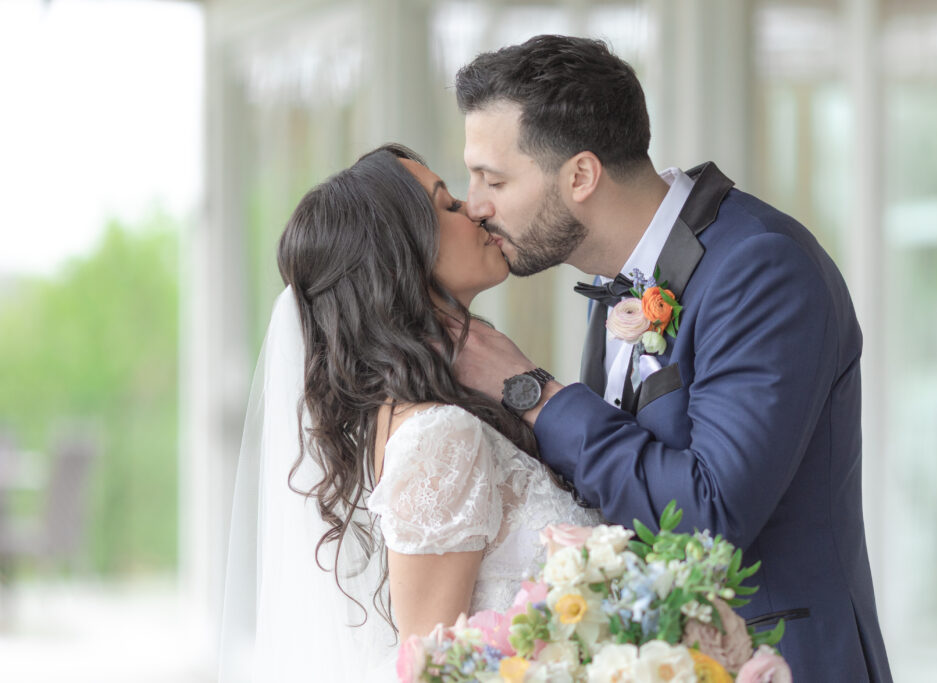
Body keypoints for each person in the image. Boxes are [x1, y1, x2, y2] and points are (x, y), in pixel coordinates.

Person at [450, 35, 893, 682]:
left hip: (781, 661)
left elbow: (710, 517)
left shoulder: (760, 267)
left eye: (493, 178)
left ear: (580, 174)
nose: (475, 204)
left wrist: (535, 393)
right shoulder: (618, 284)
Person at [218, 144, 601, 682]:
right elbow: (434, 669)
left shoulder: (442, 412)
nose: (474, 210)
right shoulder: (438, 435)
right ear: (401, 257)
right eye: (446, 206)